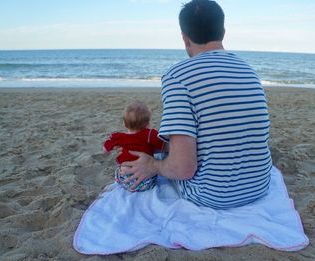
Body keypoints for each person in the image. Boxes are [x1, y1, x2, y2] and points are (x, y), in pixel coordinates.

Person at [121, 0, 272, 209]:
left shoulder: (178, 76)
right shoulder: (249, 71)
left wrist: (153, 165)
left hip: (212, 195)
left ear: (185, 38)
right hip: (259, 186)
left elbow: (183, 169)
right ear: (223, 32)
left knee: (161, 154)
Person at [103, 101, 166, 192]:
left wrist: (107, 149)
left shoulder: (118, 137)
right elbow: (163, 146)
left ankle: (118, 180)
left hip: (124, 179)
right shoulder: (149, 134)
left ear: (124, 124)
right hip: (145, 181)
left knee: (119, 169)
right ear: (147, 124)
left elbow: (105, 149)